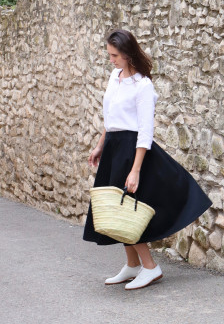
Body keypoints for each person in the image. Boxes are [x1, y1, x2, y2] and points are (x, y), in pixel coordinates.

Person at [83, 29, 212, 290]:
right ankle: (132, 265)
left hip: (132, 150)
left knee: (125, 208)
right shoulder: (114, 77)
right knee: (113, 208)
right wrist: (99, 146)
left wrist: (136, 170)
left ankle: (150, 267)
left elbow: (145, 131)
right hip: (113, 148)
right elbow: (110, 118)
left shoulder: (143, 86)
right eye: (109, 55)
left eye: (115, 55)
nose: (111, 60)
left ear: (129, 54)